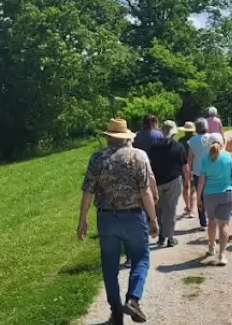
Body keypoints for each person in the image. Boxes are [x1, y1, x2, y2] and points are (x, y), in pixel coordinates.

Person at [77, 119, 159, 325]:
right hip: (133, 216)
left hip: (106, 218)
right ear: (126, 137)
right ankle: (133, 299)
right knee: (141, 257)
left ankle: (116, 313)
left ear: (108, 137)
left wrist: (82, 220)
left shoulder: (98, 157)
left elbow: (88, 191)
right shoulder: (137, 156)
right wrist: (153, 218)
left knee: (109, 266)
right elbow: (145, 190)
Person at [197, 133, 232, 266]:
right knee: (224, 225)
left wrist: (198, 197)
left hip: (209, 194)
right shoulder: (230, 156)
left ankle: (211, 246)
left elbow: (201, 181)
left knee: (212, 222)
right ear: (222, 143)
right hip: (226, 193)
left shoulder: (205, 158)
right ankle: (222, 255)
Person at [149, 120, 189, 247]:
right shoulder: (178, 147)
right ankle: (170, 238)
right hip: (173, 181)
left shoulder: (154, 147)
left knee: (159, 209)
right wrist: (187, 181)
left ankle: (161, 237)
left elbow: (150, 165)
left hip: (158, 182)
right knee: (171, 210)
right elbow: (185, 167)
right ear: (174, 133)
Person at [188, 118, 210, 231]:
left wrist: (189, 171)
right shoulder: (210, 138)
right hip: (210, 170)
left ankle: (202, 222)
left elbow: (190, 158)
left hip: (197, 171)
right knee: (211, 194)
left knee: (200, 196)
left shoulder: (192, 140)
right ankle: (212, 217)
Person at [178, 121, 196, 217]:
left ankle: (187, 206)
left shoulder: (180, 140)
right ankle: (192, 209)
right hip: (194, 165)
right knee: (193, 189)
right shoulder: (196, 140)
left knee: (185, 187)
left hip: (183, 166)